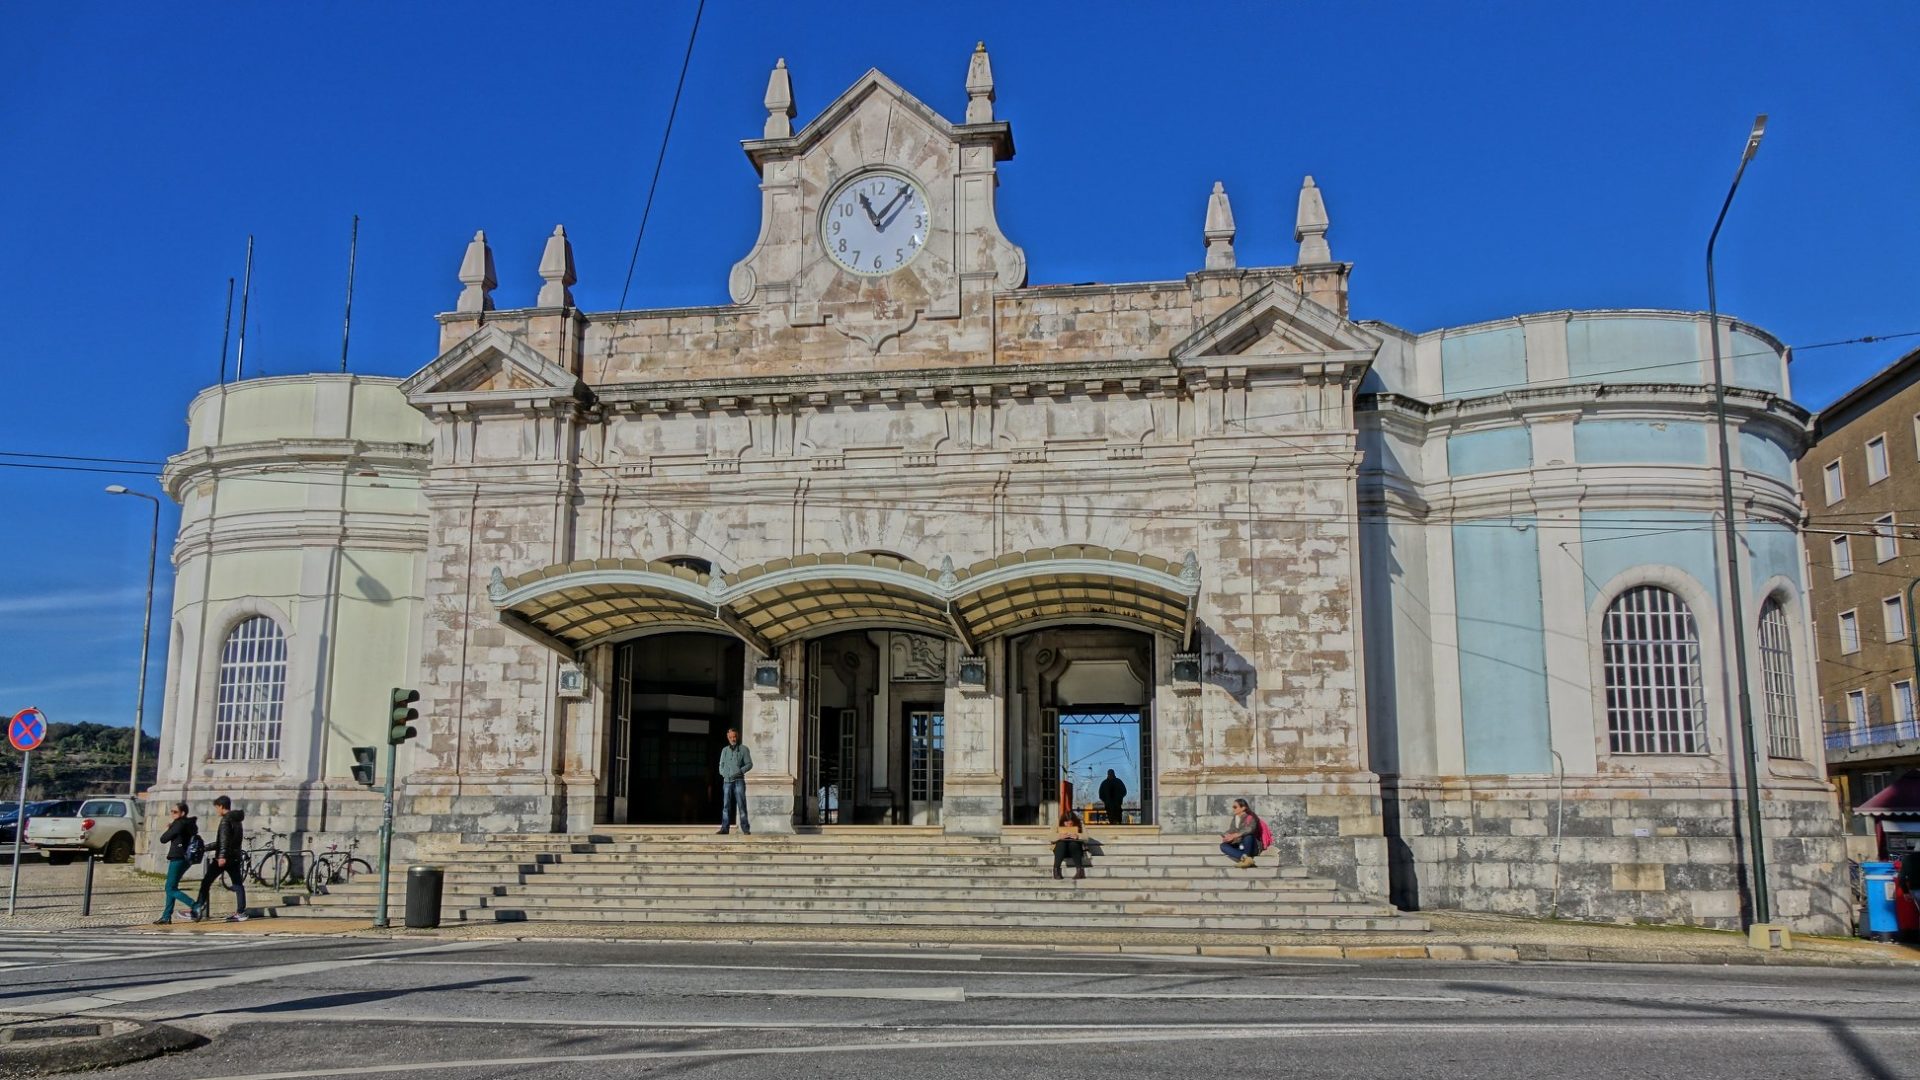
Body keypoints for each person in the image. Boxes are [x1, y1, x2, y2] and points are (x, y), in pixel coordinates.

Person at [194, 795, 249, 922]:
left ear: (221, 806)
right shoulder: (237, 820)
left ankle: (197, 908)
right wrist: (205, 848)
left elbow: (223, 841)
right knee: (238, 884)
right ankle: (241, 912)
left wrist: (222, 856)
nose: (216, 810)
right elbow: (226, 841)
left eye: (216, 808)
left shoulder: (225, 820)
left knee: (206, 881)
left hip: (224, 858)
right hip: (234, 856)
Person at [154, 802, 200, 925]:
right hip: (186, 858)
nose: (172, 814)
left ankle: (195, 905)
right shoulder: (189, 824)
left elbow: (163, 839)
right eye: (172, 811)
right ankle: (166, 916)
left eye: (175, 812)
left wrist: (170, 828)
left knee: (169, 888)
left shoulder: (179, 824)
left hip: (178, 857)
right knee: (172, 887)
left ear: (182, 813)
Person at [717, 728, 753, 836]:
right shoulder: (725, 750)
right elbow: (721, 765)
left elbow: (749, 764)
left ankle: (745, 829)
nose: (733, 739)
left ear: (737, 736)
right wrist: (723, 773)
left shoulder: (744, 749)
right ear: (727, 738)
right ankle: (724, 828)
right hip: (727, 781)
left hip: (739, 781)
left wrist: (740, 771)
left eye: (734, 736)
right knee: (726, 805)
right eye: (731, 737)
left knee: (741, 804)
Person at [1219, 798, 1261, 868]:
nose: (1233, 809)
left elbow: (1250, 829)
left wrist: (1235, 835)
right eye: (1233, 807)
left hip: (1250, 846)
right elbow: (1231, 830)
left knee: (1248, 836)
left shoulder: (1251, 817)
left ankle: (1246, 857)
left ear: (1243, 808)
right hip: (1239, 844)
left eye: (1235, 807)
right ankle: (1246, 859)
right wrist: (1227, 835)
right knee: (1223, 846)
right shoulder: (1235, 818)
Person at [1053, 810, 1086, 880]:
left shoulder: (1079, 823)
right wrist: (1059, 836)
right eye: (1066, 823)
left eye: (1070, 823)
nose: (1068, 825)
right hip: (1061, 851)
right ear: (1063, 821)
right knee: (1061, 843)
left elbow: (1086, 836)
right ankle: (1056, 870)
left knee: (1073, 843)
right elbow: (1050, 836)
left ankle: (1079, 871)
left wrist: (1078, 836)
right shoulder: (1057, 822)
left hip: (1075, 850)